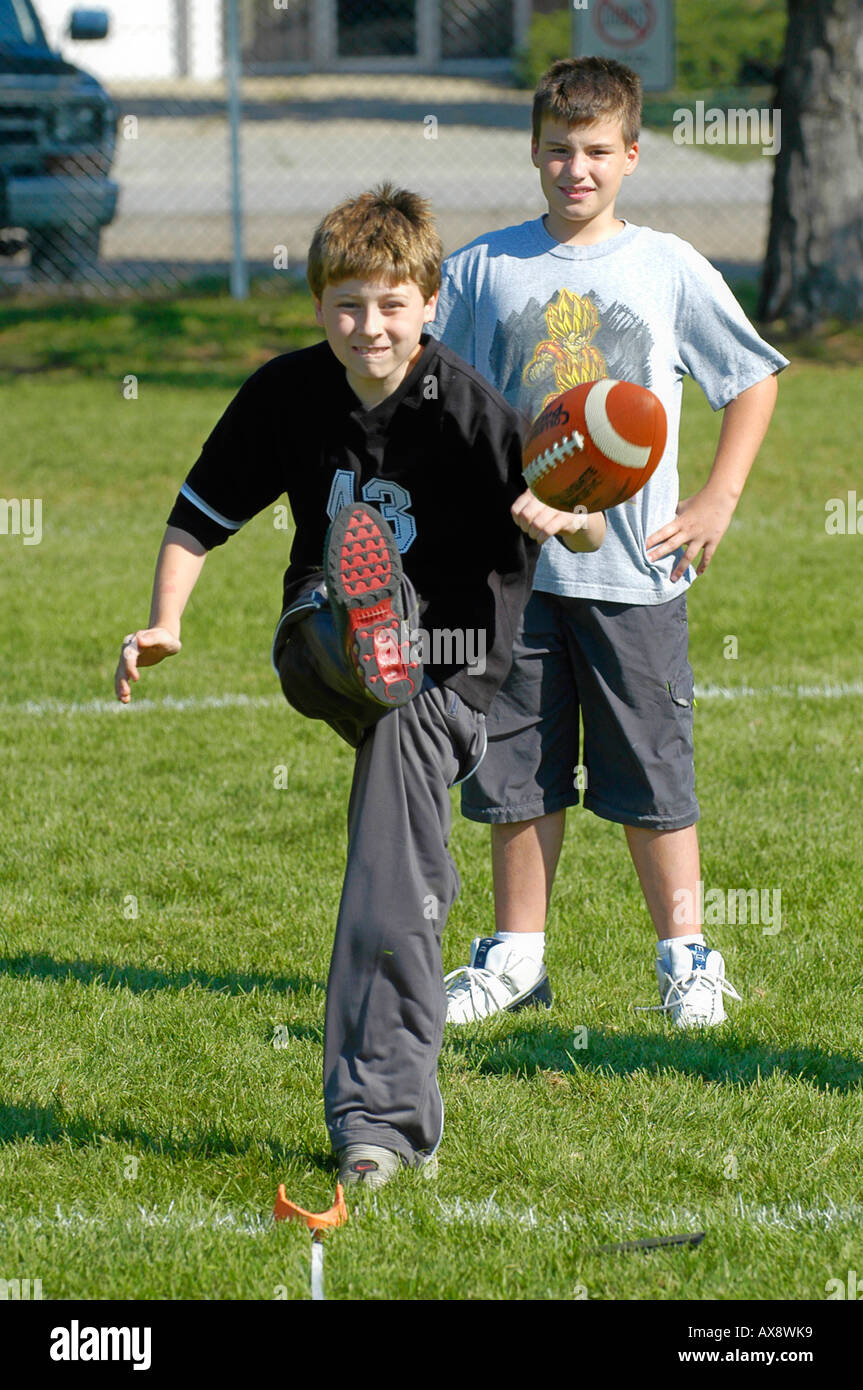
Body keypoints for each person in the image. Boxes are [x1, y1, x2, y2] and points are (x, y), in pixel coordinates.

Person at [113, 184, 606, 1192]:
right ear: (317, 307)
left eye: (389, 304)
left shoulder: (472, 407)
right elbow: (199, 512)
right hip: (325, 644)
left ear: (429, 304)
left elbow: (584, 517)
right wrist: (165, 619)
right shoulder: (286, 394)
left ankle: (378, 1125)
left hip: (450, 673)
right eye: (346, 304)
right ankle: (362, 621)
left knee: (392, 886)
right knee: (334, 614)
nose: (367, 326)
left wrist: (565, 518)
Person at [433, 58, 788, 1029]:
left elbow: (748, 378)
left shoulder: (665, 265)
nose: (573, 169)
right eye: (557, 150)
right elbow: (443, 400)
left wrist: (717, 496)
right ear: (532, 154)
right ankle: (513, 957)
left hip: (635, 574)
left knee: (650, 774)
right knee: (512, 770)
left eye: (594, 151)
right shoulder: (482, 269)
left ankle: (684, 958)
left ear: (631, 155)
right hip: (512, 576)